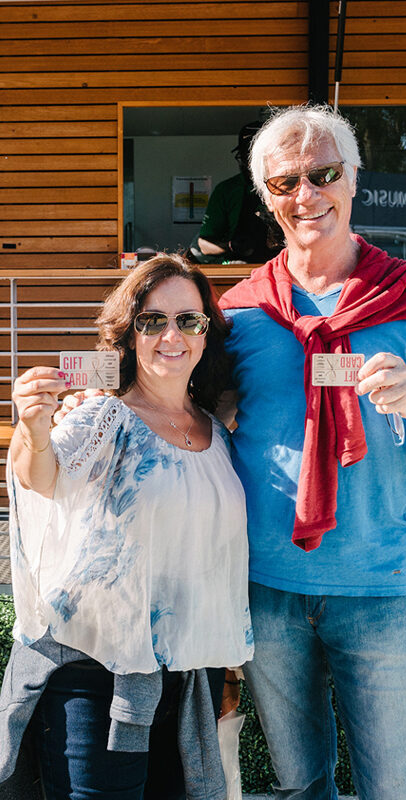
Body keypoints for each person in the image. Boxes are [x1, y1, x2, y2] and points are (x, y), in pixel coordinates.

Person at [217, 105, 406, 799]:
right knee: (301, 787)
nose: (305, 195)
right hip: (270, 588)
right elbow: (196, 429)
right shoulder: (238, 312)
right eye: (284, 183)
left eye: (323, 173)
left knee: (398, 788)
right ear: (266, 198)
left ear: (354, 178)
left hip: (379, 588)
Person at [0, 253, 253, 800]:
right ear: (130, 333)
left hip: (188, 682)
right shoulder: (101, 416)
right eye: (152, 320)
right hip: (96, 676)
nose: (171, 335)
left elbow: (216, 559)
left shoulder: (218, 433)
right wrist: (33, 430)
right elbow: (42, 477)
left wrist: (228, 672)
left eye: (189, 320)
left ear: (205, 335)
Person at [188, 121, 283, 265]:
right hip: (237, 269)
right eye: (246, 157)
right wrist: (232, 246)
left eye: (255, 158)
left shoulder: (285, 185)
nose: (250, 165)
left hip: (280, 266)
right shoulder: (227, 190)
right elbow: (204, 245)